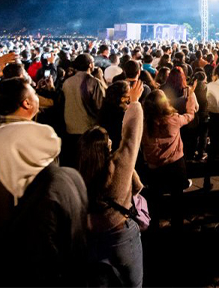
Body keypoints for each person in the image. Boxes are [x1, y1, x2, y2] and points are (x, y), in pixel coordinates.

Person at [0, 79, 88, 286]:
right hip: (39, 238)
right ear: (26, 103)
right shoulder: (41, 136)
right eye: (34, 94)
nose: (38, 98)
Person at [78, 80, 144, 288]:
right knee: (132, 283)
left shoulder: (78, 175)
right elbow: (131, 136)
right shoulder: (118, 167)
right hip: (120, 232)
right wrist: (135, 103)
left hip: (91, 238)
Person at [142, 83, 197, 231]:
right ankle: (177, 228)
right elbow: (190, 116)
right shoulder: (173, 119)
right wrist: (191, 97)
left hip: (154, 166)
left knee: (155, 199)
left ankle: (154, 226)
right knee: (177, 198)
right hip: (175, 164)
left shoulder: (144, 123)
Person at [62, 53, 106, 166]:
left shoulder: (67, 82)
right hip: (88, 129)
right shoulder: (94, 82)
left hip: (70, 128)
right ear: (90, 65)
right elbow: (100, 106)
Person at [97, 80, 131, 151]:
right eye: (129, 94)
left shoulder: (104, 108)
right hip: (117, 148)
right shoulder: (120, 114)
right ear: (122, 98)